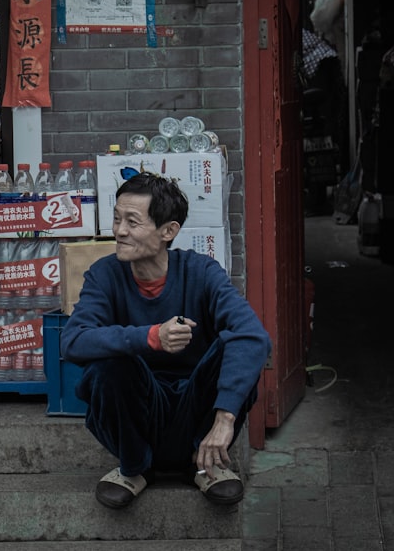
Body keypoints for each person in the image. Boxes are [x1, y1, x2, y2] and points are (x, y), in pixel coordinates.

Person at [60, 172, 272, 509]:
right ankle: (134, 468)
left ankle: (204, 463)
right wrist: (150, 337)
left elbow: (253, 336)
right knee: (109, 364)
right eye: (116, 219)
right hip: (141, 412)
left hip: (195, 408)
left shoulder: (201, 272)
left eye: (132, 221)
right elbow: (73, 341)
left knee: (235, 348)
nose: (119, 231)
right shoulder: (104, 274)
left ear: (168, 231)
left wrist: (225, 419)